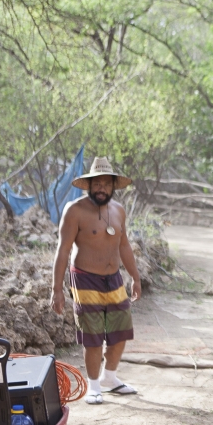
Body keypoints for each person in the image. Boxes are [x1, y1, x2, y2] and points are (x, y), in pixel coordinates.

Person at [50, 157, 142, 405]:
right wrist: (56, 289)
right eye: (97, 183)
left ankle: (110, 378)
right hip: (84, 279)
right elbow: (63, 250)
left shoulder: (118, 211)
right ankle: (93, 386)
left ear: (113, 186)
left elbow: (124, 246)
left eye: (106, 184)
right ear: (89, 186)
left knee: (121, 331)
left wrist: (135, 276)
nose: (102, 188)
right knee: (93, 335)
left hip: (114, 279)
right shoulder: (75, 210)